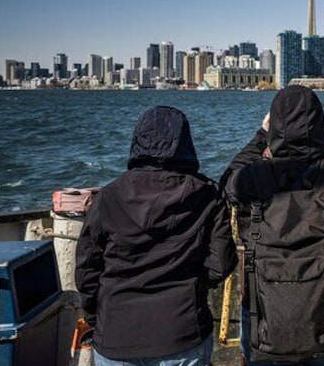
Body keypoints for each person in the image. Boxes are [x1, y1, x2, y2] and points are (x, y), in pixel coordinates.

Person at [221, 85, 324, 366]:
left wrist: (262, 135)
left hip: (266, 308)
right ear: (319, 127)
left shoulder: (251, 178)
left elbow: (227, 180)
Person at [75, 106, 238, 366]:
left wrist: (100, 319)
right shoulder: (207, 194)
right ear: (185, 142)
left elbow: (86, 271)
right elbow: (222, 262)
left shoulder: (108, 196)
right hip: (182, 332)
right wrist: (193, 287)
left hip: (116, 333)